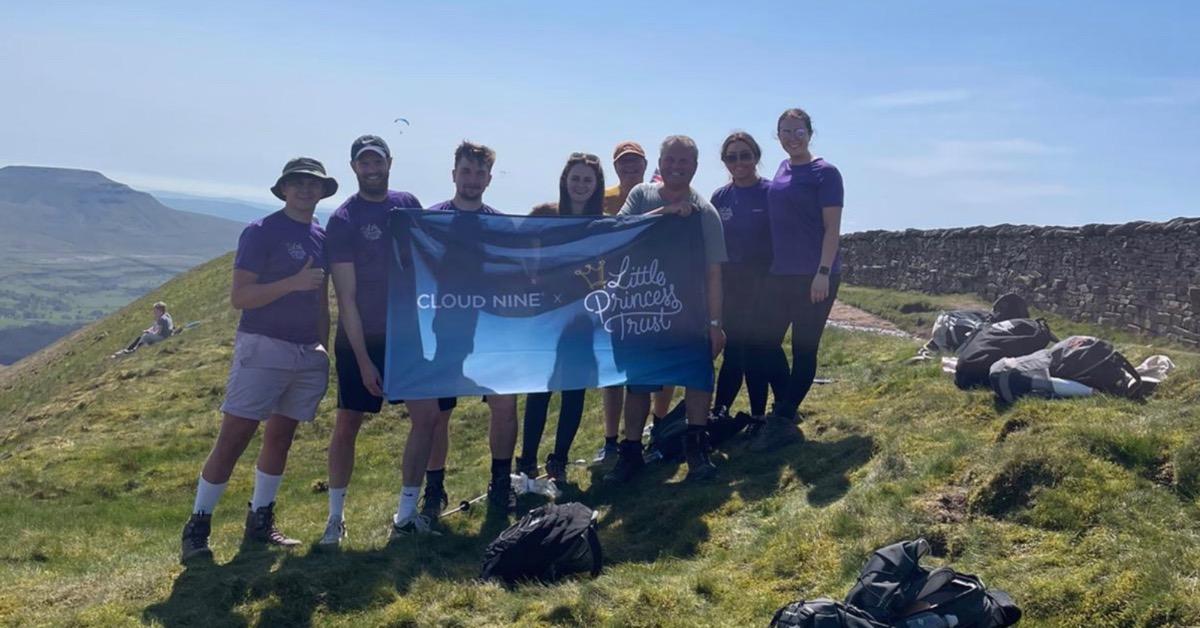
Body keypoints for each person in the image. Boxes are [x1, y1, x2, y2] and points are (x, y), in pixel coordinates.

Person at [179, 157, 335, 563]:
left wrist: (323, 348)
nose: (305, 190)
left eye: (312, 184)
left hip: (306, 353)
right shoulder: (261, 231)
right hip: (264, 346)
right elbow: (240, 297)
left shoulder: (320, 236)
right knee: (235, 435)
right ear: (284, 189)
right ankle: (198, 525)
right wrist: (293, 283)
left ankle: (261, 520)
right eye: (297, 183)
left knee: (281, 437)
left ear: (322, 191)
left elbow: (320, 299)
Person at [320, 135, 456, 545]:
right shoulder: (343, 220)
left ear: (389, 163)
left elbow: (430, 254)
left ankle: (406, 514)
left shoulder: (407, 204)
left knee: (428, 418)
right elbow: (346, 296)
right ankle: (335, 518)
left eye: (376, 160)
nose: (371, 168)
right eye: (363, 162)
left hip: (408, 335)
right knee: (348, 422)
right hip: (361, 337)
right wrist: (363, 360)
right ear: (354, 167)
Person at [607, 135, 728, 483]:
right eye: (670, 160)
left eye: (684, 161)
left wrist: (716, 323)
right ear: (659, 163)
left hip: (689, 314)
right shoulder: (641, 196)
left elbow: (714, 272)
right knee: (639, 385)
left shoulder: (706, 212)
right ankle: (630, 454)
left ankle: (697, 451)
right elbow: (619, 232)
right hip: (643, 310)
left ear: (695, 166)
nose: (677, 167)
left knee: (698, 379)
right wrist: (665, 213)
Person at [427, 141, 521, 511]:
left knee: (504, 404)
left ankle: (500, 482)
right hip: (441, 328)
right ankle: (434, 489)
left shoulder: (500, 225)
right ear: (454, 174)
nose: (472, 179)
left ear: (489, 179)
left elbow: (515, 276)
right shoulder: (430, 220)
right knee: (439, 411)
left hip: (491, 331)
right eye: (466, 171)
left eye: (480, 173)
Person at [750, 108, 844, 452]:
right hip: (782, 273)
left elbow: (832, 228)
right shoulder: (782, 169)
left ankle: (784, 416)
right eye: (785, 132)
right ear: (778, 136)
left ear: (810, 133)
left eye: (798, 131)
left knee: (805, 347)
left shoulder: (826, 173)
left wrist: (822, 272)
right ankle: (787, 405)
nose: (792, 137)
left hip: (816, 274)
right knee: (765, 340)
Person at [517, 152, 605, 481]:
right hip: (547, 314)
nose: (580, 185)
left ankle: (559, 462)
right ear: (564, 181)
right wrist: (532, 274)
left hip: (583, 318)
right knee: (540, 387)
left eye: (587, 179)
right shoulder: (545, 213)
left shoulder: (601, 222)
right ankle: (526, 461)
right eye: (575, 178)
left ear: (596, 185)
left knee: (574, 388)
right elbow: (511, 240)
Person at [710, 132, 775, 419]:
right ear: (725, 161)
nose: (739, 162)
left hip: (764, 282)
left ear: (756, 157)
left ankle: (761, 414)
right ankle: (719, 411)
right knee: (733, 348)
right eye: (731, 157)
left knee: (757, 350)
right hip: (730, 285)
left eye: (745, 155)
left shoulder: (772, 193)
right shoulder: (720, 197)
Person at [595, 140, 652, 465]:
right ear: (615, 166)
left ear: (645, 164)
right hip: (609, 295)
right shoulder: (604, 198)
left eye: (635, 162)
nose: (630, 167)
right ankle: (610, 440)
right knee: (612, 373)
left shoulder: (658, 194)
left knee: (647, 372)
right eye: (623, 163)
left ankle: (651, 430)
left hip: (649, 293)